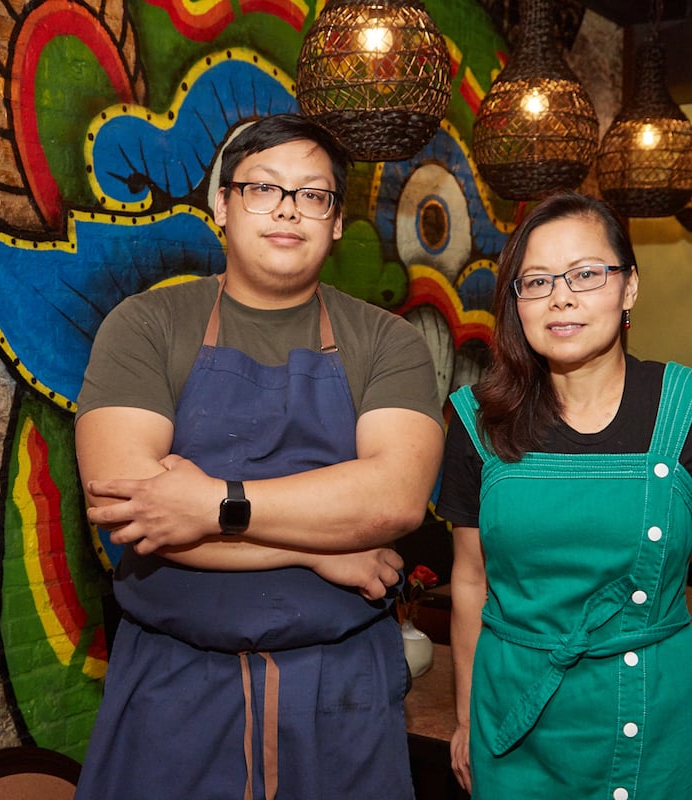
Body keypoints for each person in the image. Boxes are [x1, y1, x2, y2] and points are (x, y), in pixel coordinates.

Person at [73, 113, 445, 799]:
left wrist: (213, 504)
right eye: (262, 188)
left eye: (313, 195)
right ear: (221, 205)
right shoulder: (147, 326)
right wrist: (316, 547)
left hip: (343, 697)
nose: (287, 210)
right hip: (173, 693)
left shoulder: (387, 343)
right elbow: (132, 510)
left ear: (335, 222)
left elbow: (393, 499)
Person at [436, 191, 692, 798]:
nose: (561, 296)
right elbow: (469, 580)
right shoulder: (474, 419)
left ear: (629, 288)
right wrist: (465, 716)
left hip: (656, 710)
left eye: (586, 275)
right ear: (516, 303)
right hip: (514, 717)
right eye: (536, 281)